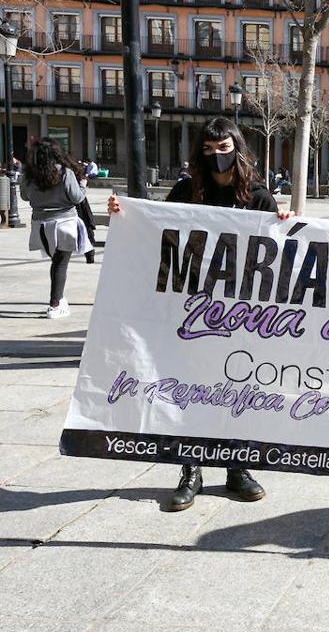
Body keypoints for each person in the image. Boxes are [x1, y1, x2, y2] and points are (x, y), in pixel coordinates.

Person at [108, 116, 293, 512]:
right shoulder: (186, 191)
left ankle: (237, 468)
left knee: (235, 390)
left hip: (240, 315)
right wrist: (124, 214)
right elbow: (155, 229)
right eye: (208, 150)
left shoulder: (258, 197)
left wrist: (285, 225)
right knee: (190, 390)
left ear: (238, 149)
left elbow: (275, 254)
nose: (216, 157)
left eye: (224, 149)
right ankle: (190, 470)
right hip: (190, 311)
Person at [20, 138, 91, 318]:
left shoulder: (29, 175)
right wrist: (83, 184)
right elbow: (77, 198)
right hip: (64, 223)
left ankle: (58, 299)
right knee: (60, 264)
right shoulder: (65, 172)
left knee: (56, 262)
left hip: (40, 225)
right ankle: (55, 304)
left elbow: (25, 197)